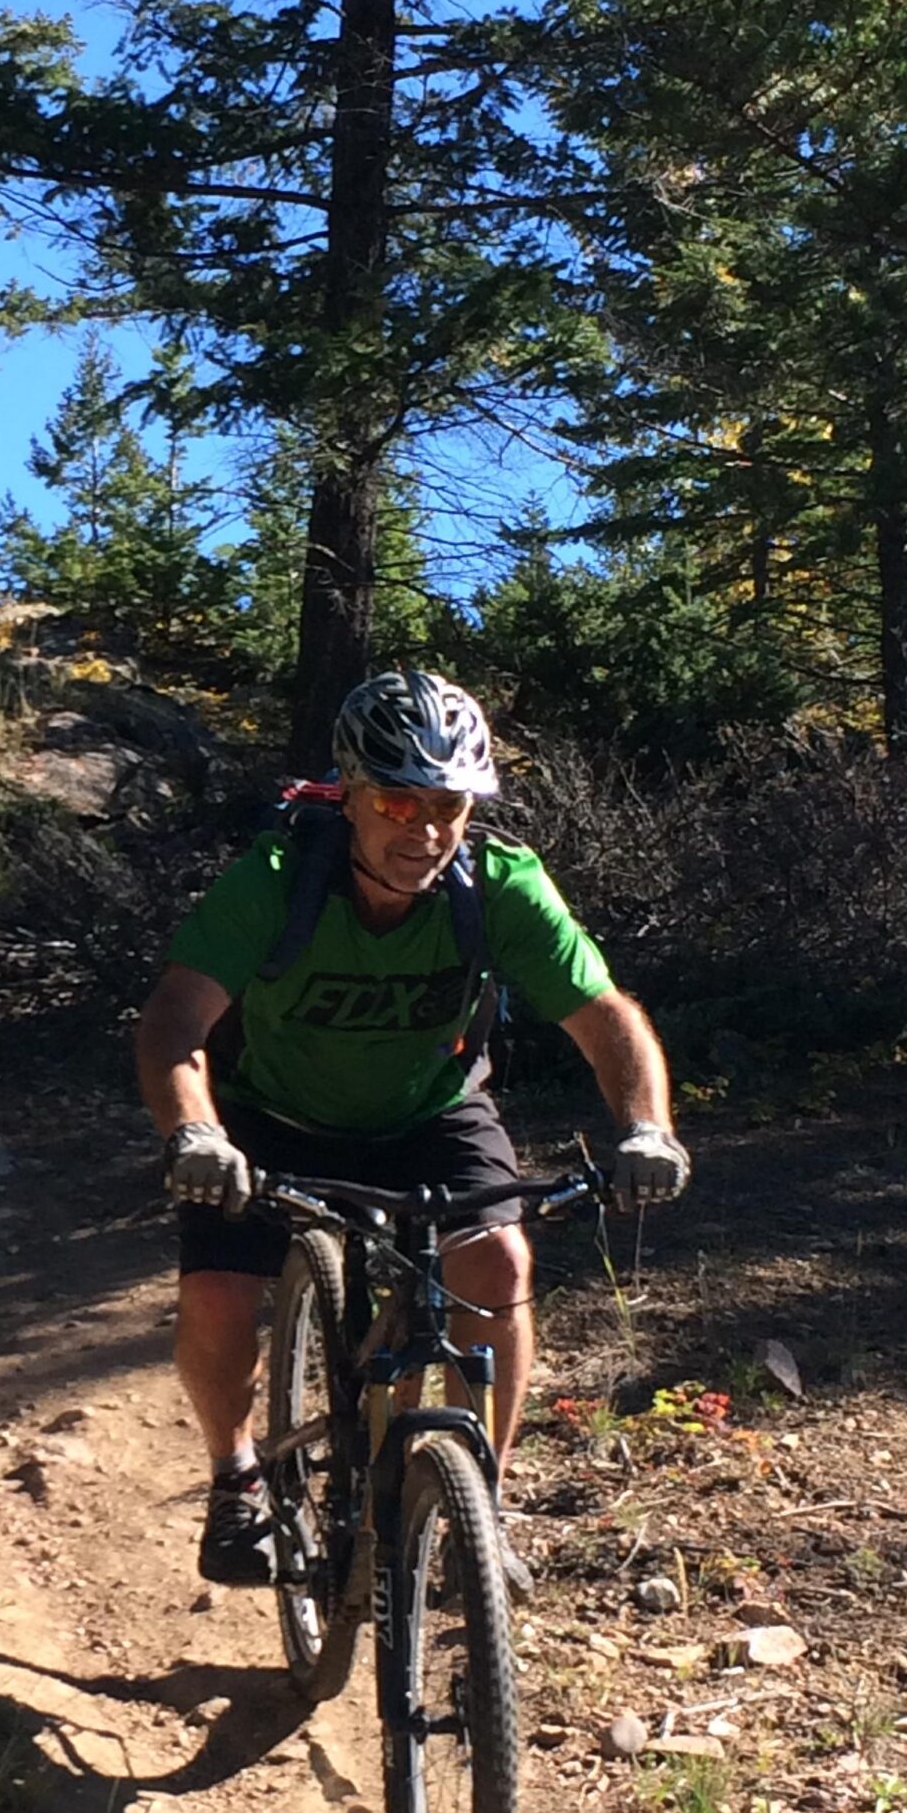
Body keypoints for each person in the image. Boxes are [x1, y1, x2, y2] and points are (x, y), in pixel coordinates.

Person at [134, 668, 689, 1599]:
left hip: (430, 1111)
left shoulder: (499, 887)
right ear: (349, 794)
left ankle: (480, 1504)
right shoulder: (275, 882)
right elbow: (174, 1021)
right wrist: (196, 1133)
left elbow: (605, 1018)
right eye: (398, 800)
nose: (424, 830)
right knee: (224, 1295)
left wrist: (647, 1129)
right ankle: (235, 1478)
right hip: (273, 1117)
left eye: (449, 805)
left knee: (499, 1264)